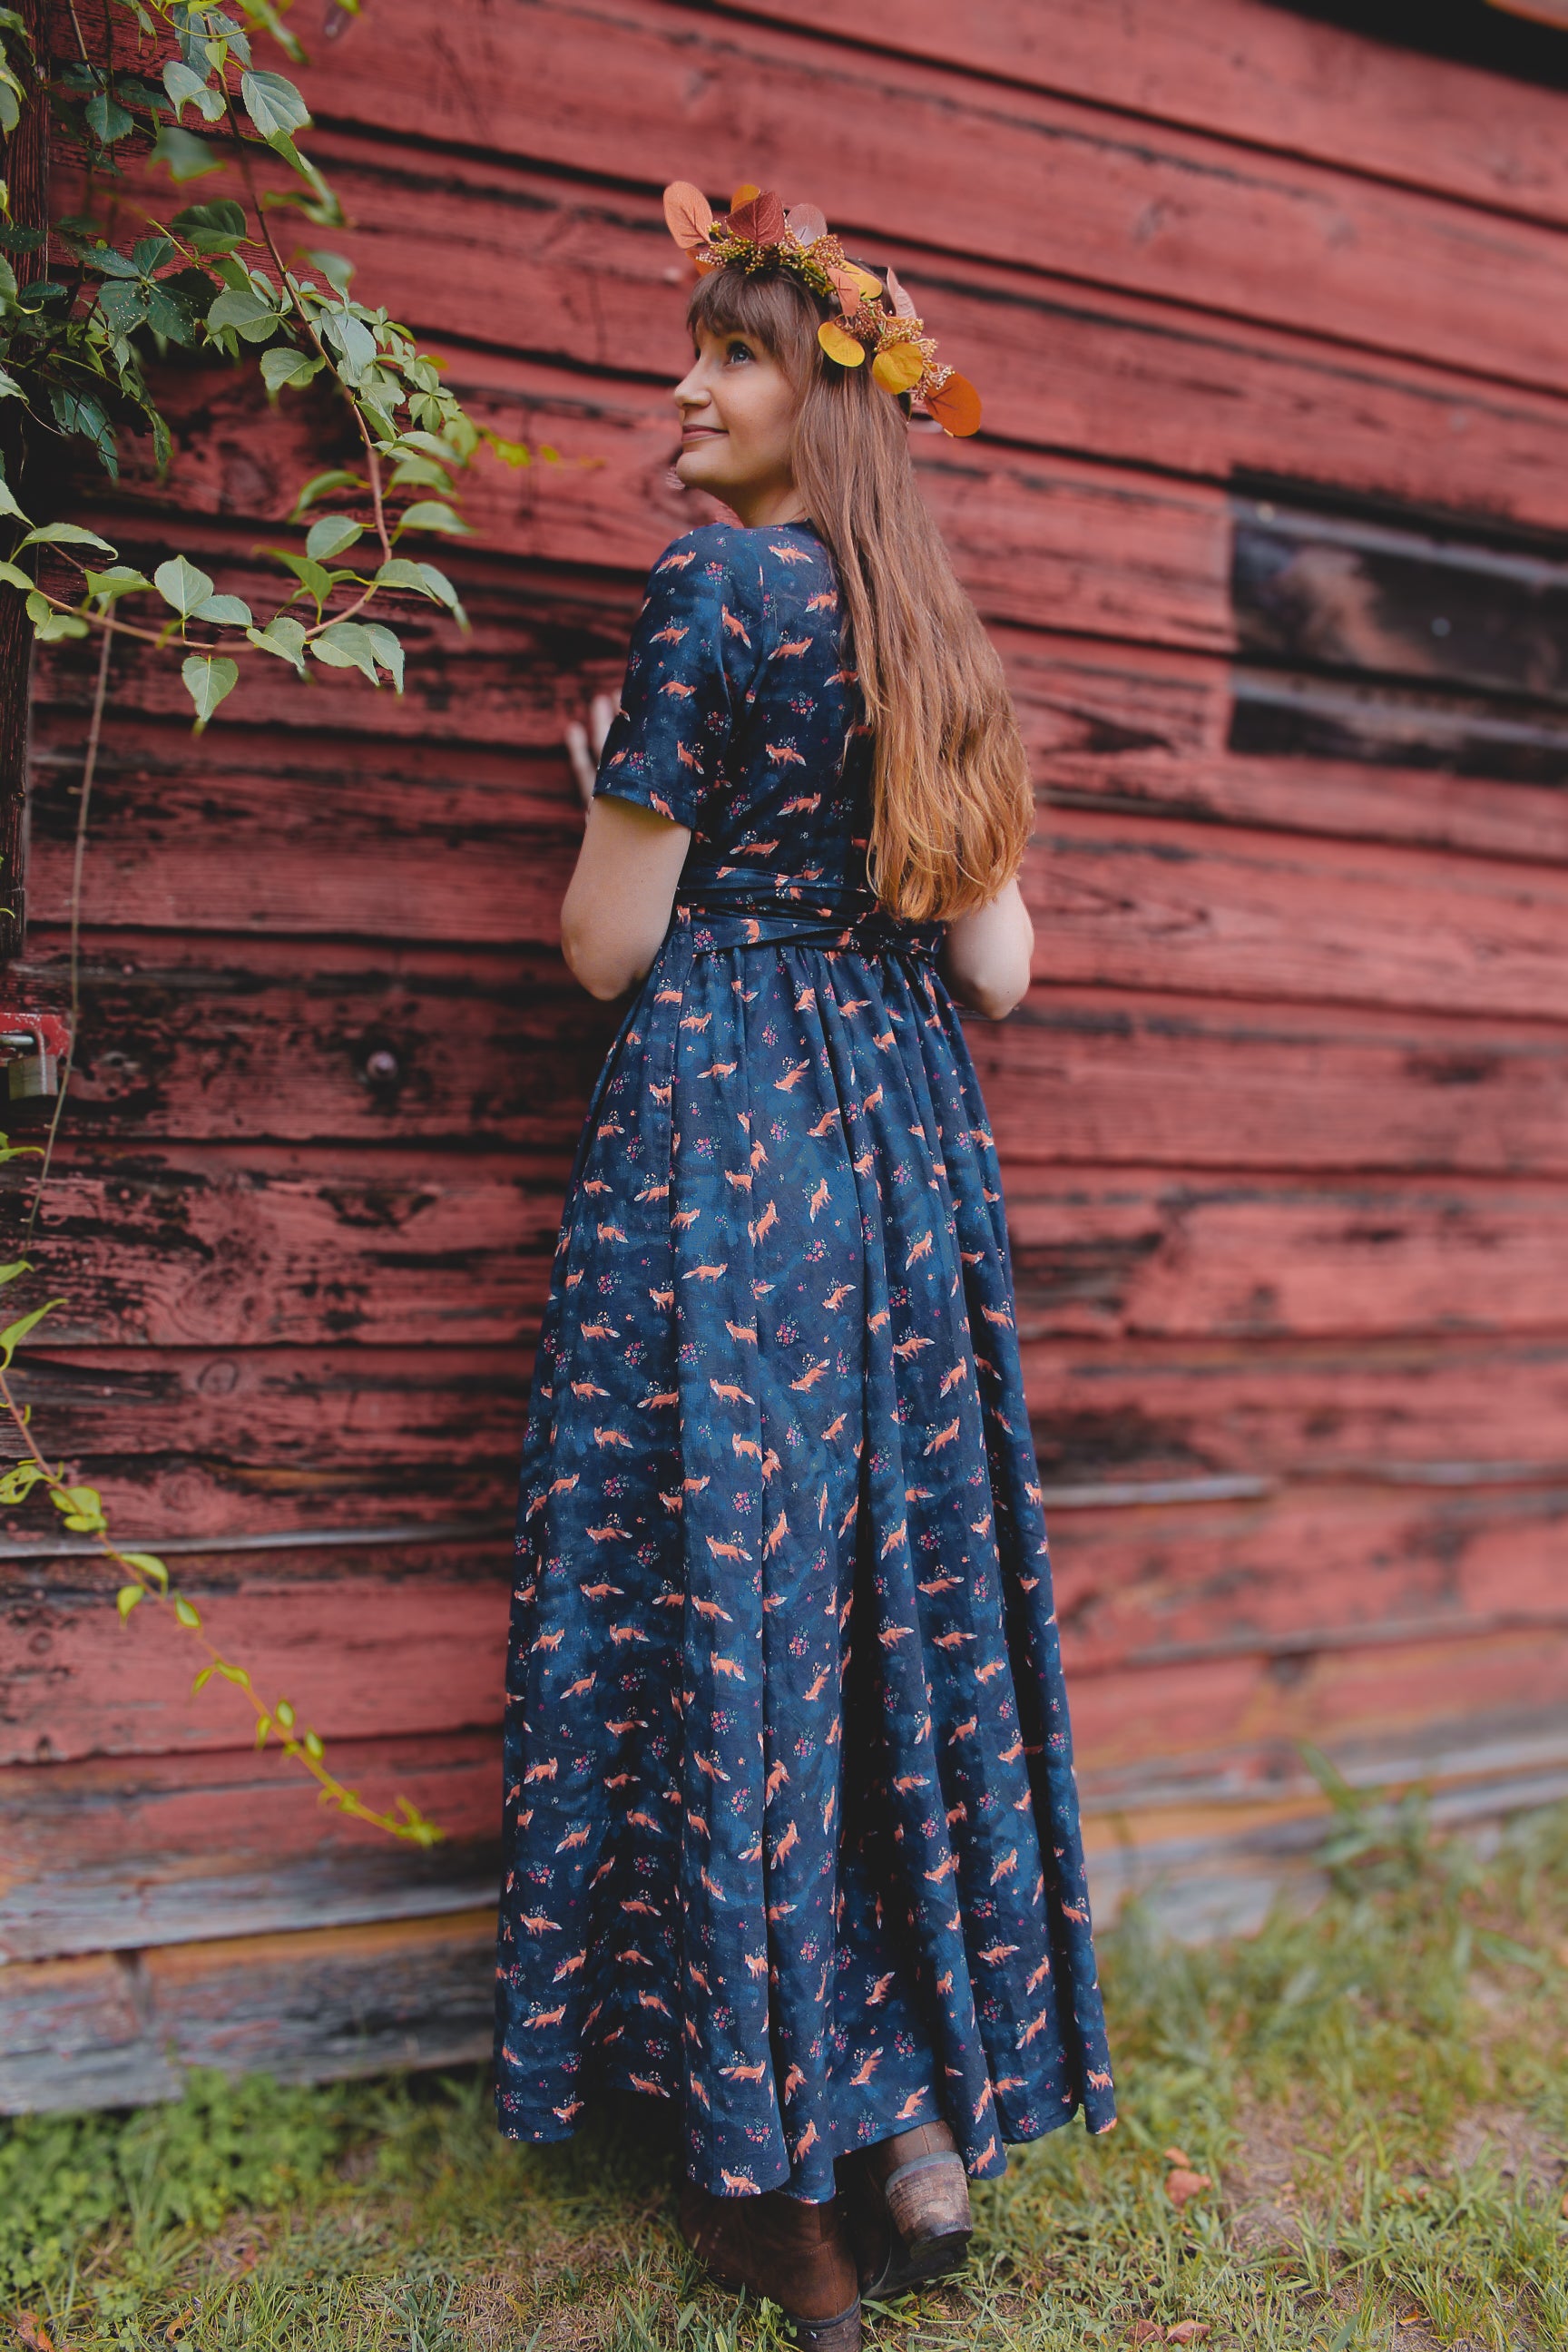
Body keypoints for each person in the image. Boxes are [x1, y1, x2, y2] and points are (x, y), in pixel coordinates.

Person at [495, 181, 1115, 2352]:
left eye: (736, 352)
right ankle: (913, 2101)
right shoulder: (936, 630)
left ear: (822, 400)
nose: (688, 381)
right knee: (882, 1611)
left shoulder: (716, 589)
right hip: (907, 1153)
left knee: (729, 1618)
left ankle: (782, 2169)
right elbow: (1007, 971)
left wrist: (614, 798)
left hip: (730, 1139)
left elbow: (605, 947)